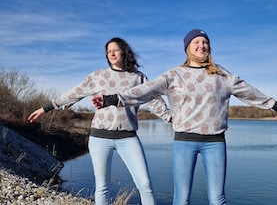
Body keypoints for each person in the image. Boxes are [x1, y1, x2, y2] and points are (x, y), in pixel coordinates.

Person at [92, 29, 277, 205]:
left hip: (215, 142)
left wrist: (275, 105)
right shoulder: (174, 74)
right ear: (188, 47)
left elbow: (248, 92)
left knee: (217, 198)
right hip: (184, 142)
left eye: (205, 42)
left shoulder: (222, 75)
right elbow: (145, 90)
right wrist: (112, 99)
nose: (201, 45)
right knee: (181, 198)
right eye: (196, 42)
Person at [28, 37, 171, 205]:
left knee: (145, 184)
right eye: (108, 51)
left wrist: (172, 119)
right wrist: (46, 108)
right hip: (99, 138)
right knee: (102, 186)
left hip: (128, 137)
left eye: (115, 49)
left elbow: (153, 99)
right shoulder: (98, 76)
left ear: (124, 52)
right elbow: (74, 93)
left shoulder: (137, 78)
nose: (111, 53)